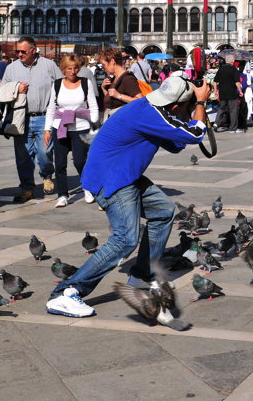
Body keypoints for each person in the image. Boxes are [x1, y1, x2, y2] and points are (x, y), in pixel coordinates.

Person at [46, 73, 210, 318]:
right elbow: (195, 135)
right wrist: (200, 103)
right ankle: (65, 292)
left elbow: (176, 144)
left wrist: (191, 109)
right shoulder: (149, 114)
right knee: (125, 239)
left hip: (124, 175)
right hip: (112, 180)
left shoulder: (149, 108)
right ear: (176, 106)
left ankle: (142, 275)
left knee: (164, 210)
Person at [1, 36, 62, 202]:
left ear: (34, 51)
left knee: (45, 152)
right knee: (23, 156)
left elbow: (60, 86)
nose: (19, 54)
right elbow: (2, 91)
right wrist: (16, 88)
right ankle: (27, 188)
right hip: (21, 118)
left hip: (44, 116)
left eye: (23, 51)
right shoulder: (11, 68)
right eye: (17, 51)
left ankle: (47, 175)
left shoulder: (49, 65)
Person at [43, 55, 99, 208]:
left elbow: (93, 107)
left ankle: (87, 187)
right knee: (60, 163)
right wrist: (47, 129)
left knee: (80, 161)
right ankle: (62, 195)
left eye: (75, 68)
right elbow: (51, 108)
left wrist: (93, 125)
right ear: (63, 69)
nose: (73, 71)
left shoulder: (85, 83)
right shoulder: (57, 84)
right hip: (60, 126)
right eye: (69, 68)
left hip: (80, 127)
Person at [99, 47, 143, 120]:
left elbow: (140, 100)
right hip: (114, 120)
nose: (103, 68)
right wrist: (103, 88)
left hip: (122, 122)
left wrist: (119, 95)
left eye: (104, 65)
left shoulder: (127, 79)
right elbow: (110, 101)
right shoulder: (114, 78)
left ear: (112, 61)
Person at [213, 55, 243, 133]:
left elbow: (214, 82)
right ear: (232, 61)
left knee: (221, 109)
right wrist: (240, 91)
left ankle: (216, 124)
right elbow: (237, 82)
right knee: (233, 110)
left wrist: (215, 91)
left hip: (222, 93)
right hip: (232, 93)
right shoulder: (234, 69)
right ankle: (233, 128)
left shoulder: (221, 69)